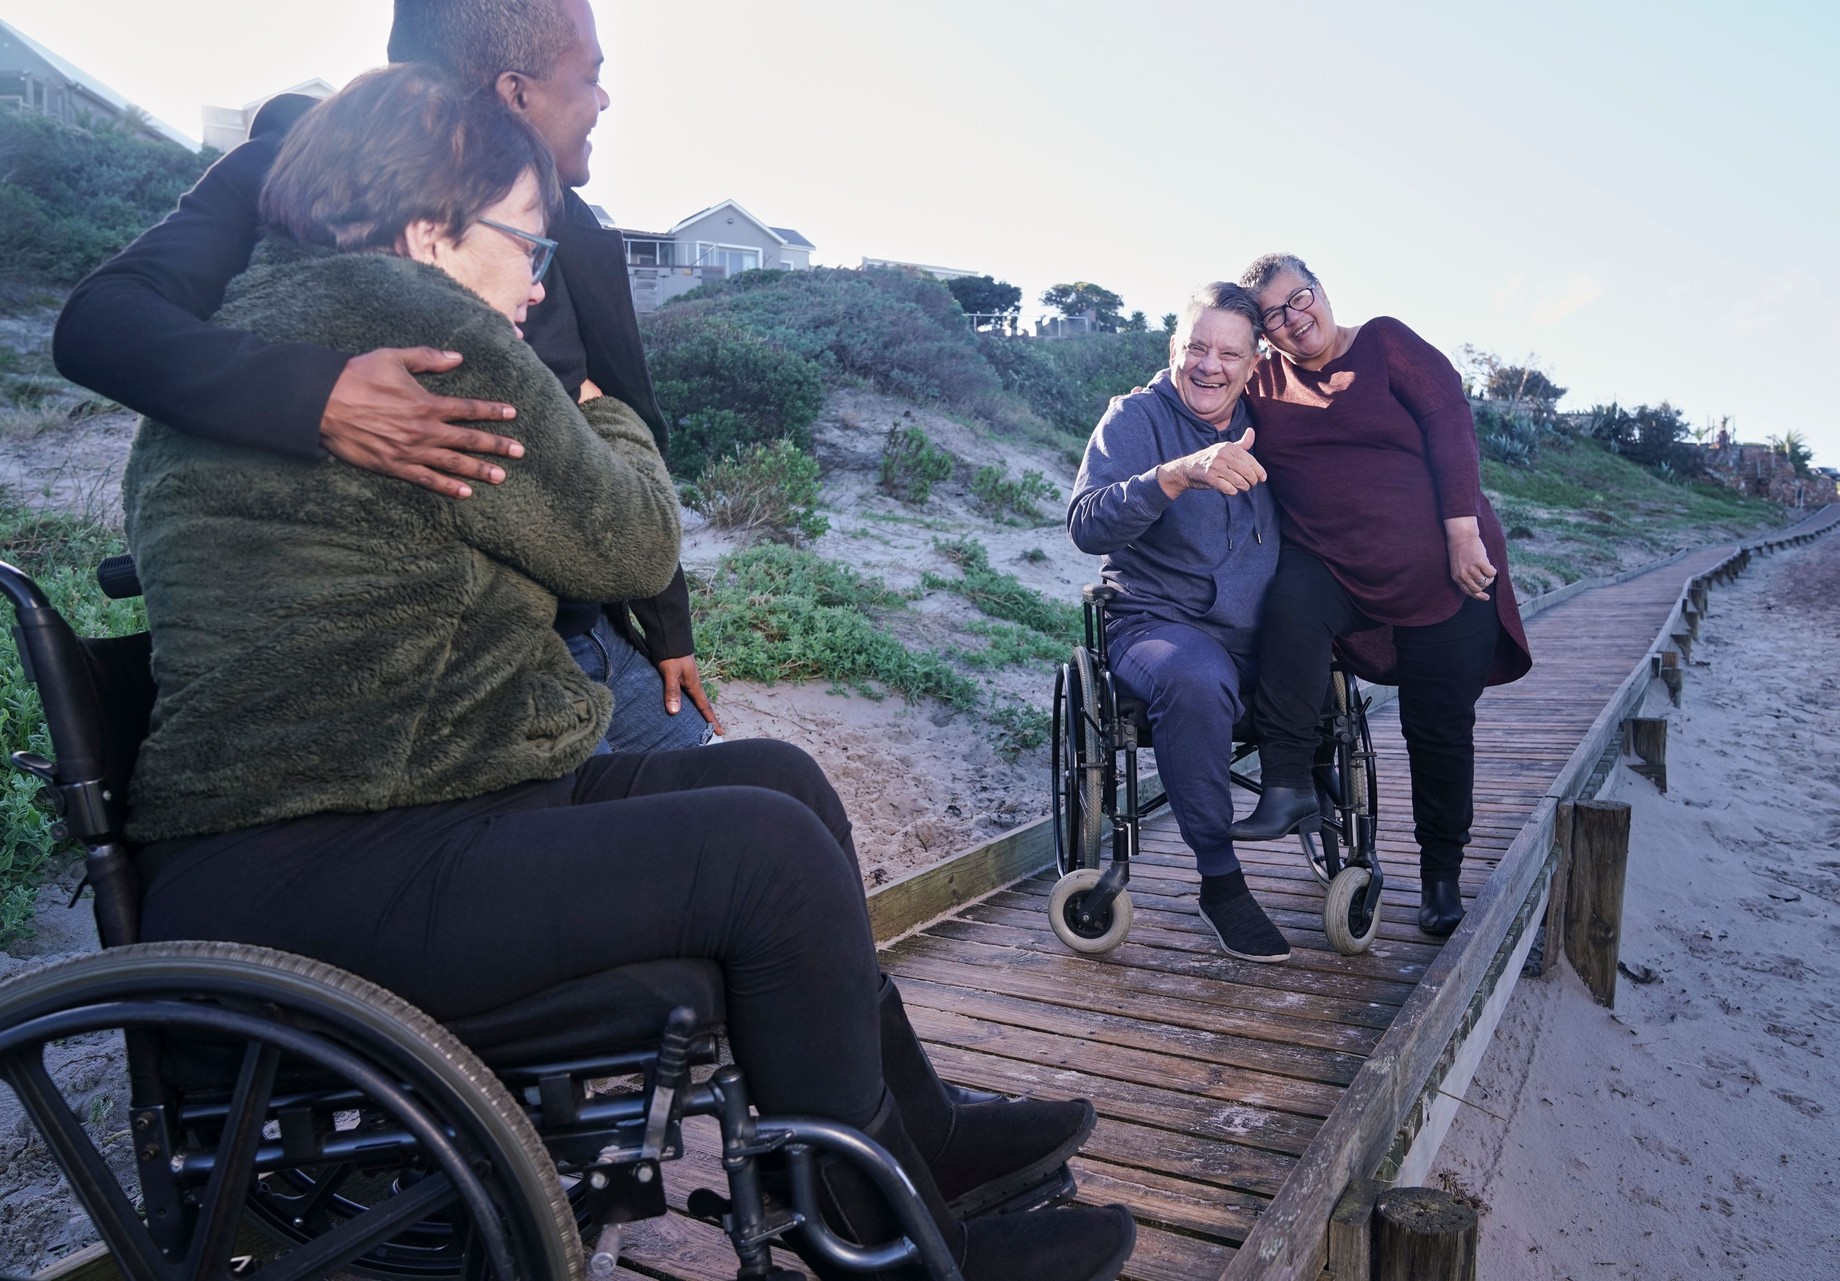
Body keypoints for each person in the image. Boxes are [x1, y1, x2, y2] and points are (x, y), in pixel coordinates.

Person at [119, 66, 1132, 1281]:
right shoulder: (430, 331)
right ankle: (895, 1258)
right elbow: (631, 542)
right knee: (767, 859)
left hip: (338, 828)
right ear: (431, 228)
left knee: (782, 781)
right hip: (330, 858)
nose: (539, 275)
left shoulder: (256, 319)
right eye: (523, 239)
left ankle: (919, 1151)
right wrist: (605, 413)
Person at [53, 0, 719, 756]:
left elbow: (617, 417)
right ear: (515, 93)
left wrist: (668, 627)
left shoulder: (575, 226)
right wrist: (319, 395)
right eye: (591, 76)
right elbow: (100, 322)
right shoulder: (311, 166)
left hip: (572, 623)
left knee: (702, 756)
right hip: (423, 659)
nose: (603, 100)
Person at [1227, 253, 1532, 936]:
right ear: (1264, 331)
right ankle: (1287, 784)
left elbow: (1450, 424)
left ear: (1322, 290)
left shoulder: (1385, 342)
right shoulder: (1262, 382)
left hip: (1448, 572)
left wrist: (1461, 531)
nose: (1292, 317)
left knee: (1439, 727)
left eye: (1298, 298)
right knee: (1291, 603)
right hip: (1334, 569)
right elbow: (1202, 375)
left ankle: (1441, 877)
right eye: (1273, 314)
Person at [1067, 283, 1292, 962]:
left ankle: (1322, 806)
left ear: (1254, 364)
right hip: (1156, 626)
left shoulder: (1272, 419)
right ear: (1175, 348)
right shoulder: (1135, 418)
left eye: (1228, 353)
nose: (1209, 365)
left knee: (1322, 645)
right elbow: (1085, 522)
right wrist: (1172, 476)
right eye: (1196, 346)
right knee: (1195, 675)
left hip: (1258, 633)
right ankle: (1221, 882)